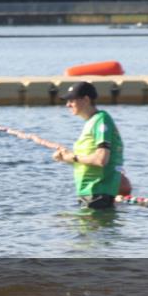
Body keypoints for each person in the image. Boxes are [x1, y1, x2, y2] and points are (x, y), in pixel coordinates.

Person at [52, 81, 126, 210]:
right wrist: (65, 158)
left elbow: (101, 159)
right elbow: (87, 161)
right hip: (89, 193)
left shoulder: (101, 120)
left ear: (86, 99)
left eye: (72, 100)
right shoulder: (91, 122)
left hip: (97, 193)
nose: (67, 105)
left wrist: (73, 157)